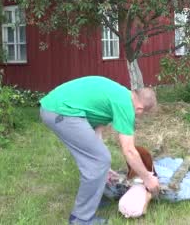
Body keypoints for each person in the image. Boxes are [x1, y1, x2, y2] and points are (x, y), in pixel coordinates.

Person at [39, 76, 160, 225]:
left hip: (57, 107)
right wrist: (148, 178)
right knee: (100, 160)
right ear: (140, 108)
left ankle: (93, 198)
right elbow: (129, 150)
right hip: (62, 112)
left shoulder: (120, 94)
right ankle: (81, 219)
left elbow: (96, 131)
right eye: (141, 115)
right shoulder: (125, 105)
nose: (138, 116)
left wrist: (105, 169)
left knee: (98, 161)